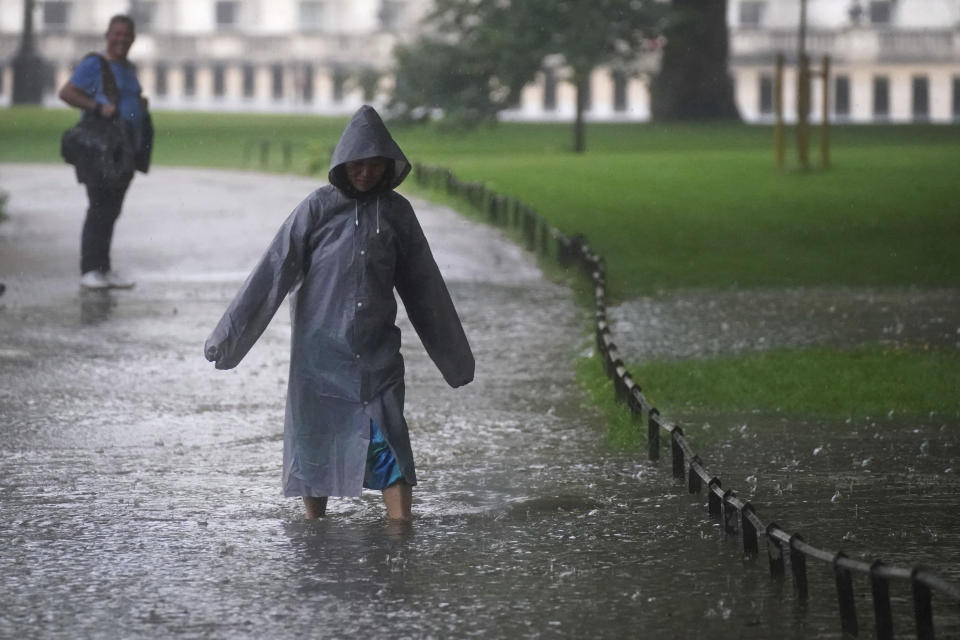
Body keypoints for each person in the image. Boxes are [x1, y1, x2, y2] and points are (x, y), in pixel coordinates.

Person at [204, 105, 474, 521]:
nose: (365, 174)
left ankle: (401, 532)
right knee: (316, 442)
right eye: (357, 165)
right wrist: (228, 338)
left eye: (374, 166)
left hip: (376, 353)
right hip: (319, 355)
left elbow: (426, 287)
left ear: (388, 166)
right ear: (343, 165)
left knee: (389, 438)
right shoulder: (316, 209)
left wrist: (456, 361)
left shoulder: (398, 214)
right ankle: (316, 530)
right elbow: (272, 272)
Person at [58, 14, 147, 290]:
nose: (121, 39)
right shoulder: (94, 64)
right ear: (108, 36)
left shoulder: (128, 67)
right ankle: (89, 270)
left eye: (127, 34)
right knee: (99, 207)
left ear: (133, 38)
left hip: (124, 150)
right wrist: (97, 107)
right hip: (101, 149)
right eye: (117, 34)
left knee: (111, 209)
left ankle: (103, 269)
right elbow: (67, 92)